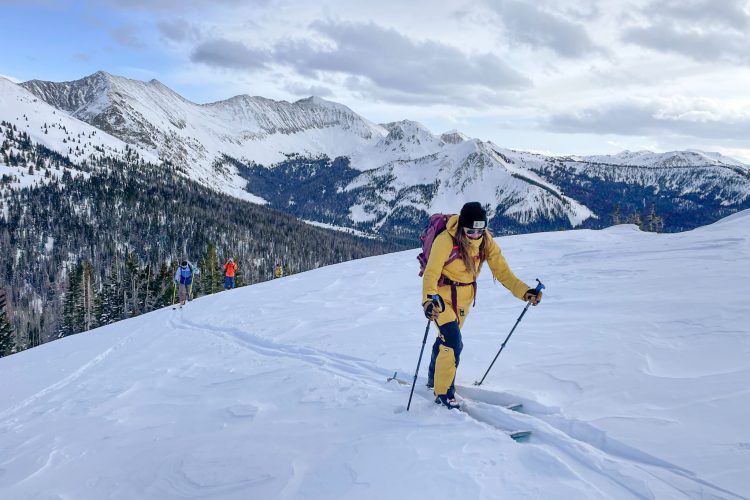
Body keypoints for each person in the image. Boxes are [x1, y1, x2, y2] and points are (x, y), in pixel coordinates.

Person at [422, 202, 542, 409]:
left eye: (480, 230)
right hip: (441, 298)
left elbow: (503, 272)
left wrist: (525, 292)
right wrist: (428, 300)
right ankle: (443, 393)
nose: (476, 235)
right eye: (471, 231)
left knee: (448, 338)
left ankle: (434, 377)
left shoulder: (486, 242)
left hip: (465, 298)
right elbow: (431, 273)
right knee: (452, 341)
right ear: (461, 226)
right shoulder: (445, 241)